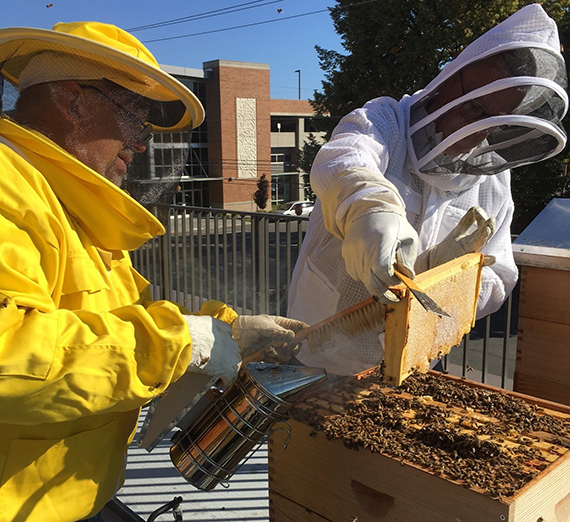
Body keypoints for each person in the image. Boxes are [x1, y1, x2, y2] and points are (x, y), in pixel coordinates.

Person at [0, 22, 306, 522]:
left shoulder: (66, 201)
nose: (141, 143)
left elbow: (114, 320)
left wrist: (225, 329)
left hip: (70, 494)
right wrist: (181, 341)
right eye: (135, 117)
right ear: (73, 102)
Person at [288, 4, 568, 375]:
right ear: (451, 77)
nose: (478, 130)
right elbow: (344, 158)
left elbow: (499, 276)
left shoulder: (493, 182)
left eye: (495, 122)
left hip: (414, 361)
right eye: (474, 109)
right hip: (320, 348)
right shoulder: (384, 121)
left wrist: (447, 275)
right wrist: (368, 207)